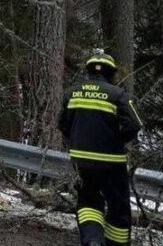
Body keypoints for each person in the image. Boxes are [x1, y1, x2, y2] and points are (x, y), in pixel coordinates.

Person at [58, 50, 144, 246]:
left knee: (88, 202)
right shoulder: (119, 95)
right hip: (112, 162)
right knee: (118, 208)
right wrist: (118, 141)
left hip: (81, 161)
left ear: (88, 70)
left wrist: (78, 141)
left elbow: (62, 124)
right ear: (111, 72)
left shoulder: (72, 93)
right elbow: (135, 125)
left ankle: (93, 241)